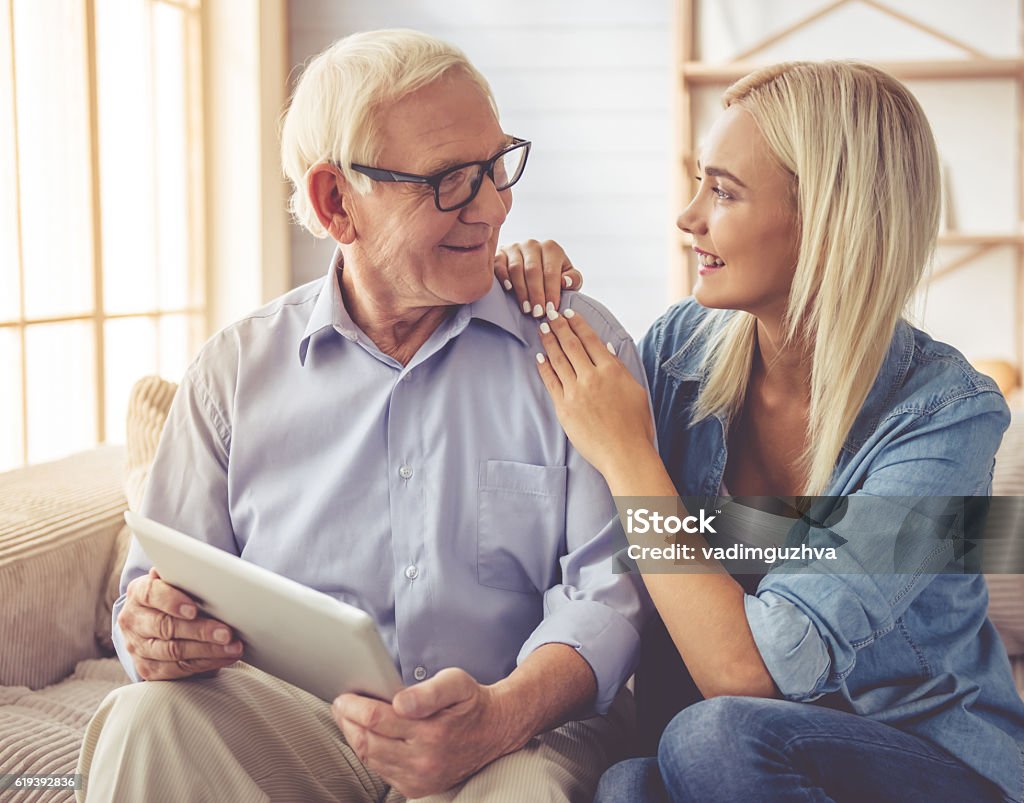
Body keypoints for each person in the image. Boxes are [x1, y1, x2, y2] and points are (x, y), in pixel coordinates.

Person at [75, 29, 653, 803]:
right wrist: (149, 630)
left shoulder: (576, 346)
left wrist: (498, 715)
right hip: (301, 725)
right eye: (451, 180)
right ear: (334, 201)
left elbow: (609, 598)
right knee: (147, 720)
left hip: (514, 731)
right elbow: (154, 588)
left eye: (496, 165)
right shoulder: (231, 376)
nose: (494, 205)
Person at [495, 61, 1024, 802]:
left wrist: (629, 456)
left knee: (712, 733)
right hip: (741, 764)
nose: (689, 217)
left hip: (931, 758)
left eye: (723, 190)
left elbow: (748, 675)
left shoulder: (946, 415)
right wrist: (524, 291)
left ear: (829, 220)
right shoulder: (682, 350)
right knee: (626, 786)